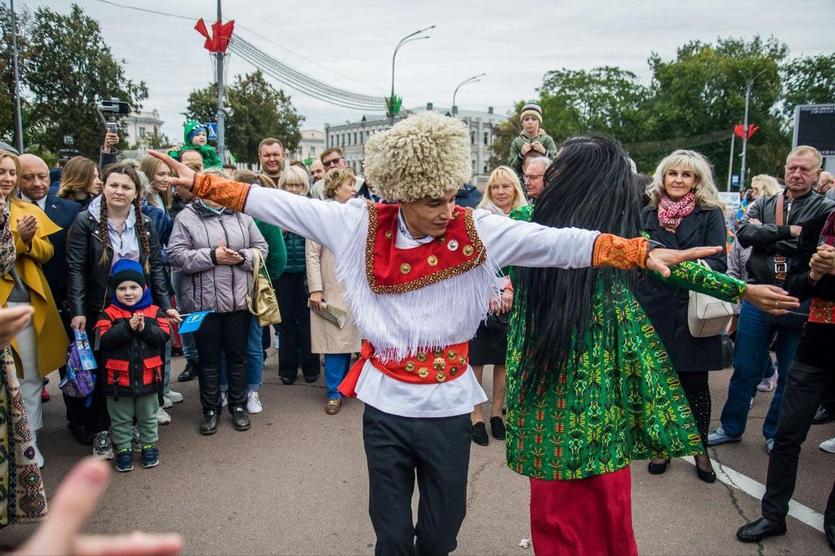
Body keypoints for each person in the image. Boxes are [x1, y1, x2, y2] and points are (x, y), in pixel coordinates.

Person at [149, 111, 734, 555]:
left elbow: (562, 245)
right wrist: (204, 185)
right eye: (431, 201)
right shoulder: (356, 225)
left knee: (441, 534)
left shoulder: (478, 229)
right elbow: (272, 203)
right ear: (400, 192)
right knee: (391, 537)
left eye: (452, 196)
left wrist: (638, 251)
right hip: (382, 404)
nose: (445, 210)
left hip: (449, 404)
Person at [504, 136, 797, 556]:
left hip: (597, 386)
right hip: (547, 378)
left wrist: (742, 290)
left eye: (558, 166)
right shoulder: (526, 223)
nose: (549, 173)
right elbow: (470, 247)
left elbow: (671, 266)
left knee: (605, 497)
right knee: (556, 502)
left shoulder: (620, 235)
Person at [709, 146, 835, 452]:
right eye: (792, 168)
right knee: (745, 366)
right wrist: (790, 231)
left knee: (790, 373)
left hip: (799, 297)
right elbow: (744, 235)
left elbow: (813, 249)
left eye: (805, 169)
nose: (797, 174)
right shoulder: (764, 201)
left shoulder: (825, 209)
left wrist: (771, 236)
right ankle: (731, 426)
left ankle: (775, 432)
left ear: (817, 174)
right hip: (757, 292)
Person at [736, 205, 835, 550]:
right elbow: (794, 286)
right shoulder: (819, 224)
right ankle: (773, 515)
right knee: (787, 434)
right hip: (816, 348)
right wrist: (814, 276)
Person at [66, 162, 178, 460]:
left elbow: (157, 268)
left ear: (137, 192)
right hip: (100, 308)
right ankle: (103, 430)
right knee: (105, 370)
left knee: (137, 364)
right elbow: (76, 269)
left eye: (127, 187)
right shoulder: (84, 222)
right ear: (103, 186)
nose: (119, 191)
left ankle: (137, 426)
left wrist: (165, 306)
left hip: (140, 306)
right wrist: (78, 309)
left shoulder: (146, 223)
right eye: (114, 185)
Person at [635, 149, 728, 482]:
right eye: (673, 173)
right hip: (654, 309)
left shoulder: (709, 214)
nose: (678, 180)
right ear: (663, 177)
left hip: (691, 312)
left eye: (686, 175)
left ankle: (700, 450)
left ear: (696, 181)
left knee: (695, 387)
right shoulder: (647, 212)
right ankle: (660, 448)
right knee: (657, 384)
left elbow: (719, 262)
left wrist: (678, 262)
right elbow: (638, 257)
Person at [167, 171, 268, 435]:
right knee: (208, 359)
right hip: (201, 305)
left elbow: (262, 249)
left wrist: (242, 257)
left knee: (238, 356)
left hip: (238, 304)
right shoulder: (186, 217)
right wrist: (213, 256)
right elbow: (176, 257)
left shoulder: (242, 215)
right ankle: (210, 410)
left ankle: (238, 406)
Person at [0, 150, 68, 468]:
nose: (8, 178)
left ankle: (30, 443)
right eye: (3, 172)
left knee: (29, 376)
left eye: (11, 173)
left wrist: (27, 240)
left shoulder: (24, 208)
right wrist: (16, 238)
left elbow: (46, 250)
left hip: (25, 304)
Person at [18, 153, 86, 442]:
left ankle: (78, 421)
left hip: (63, 299)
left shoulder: (70, 210)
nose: (37, 183)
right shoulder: (11, 210)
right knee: (27, 371)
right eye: (28, 177)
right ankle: (27, 434)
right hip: (22, 301)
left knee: (70, 363)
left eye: (42, 176)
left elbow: (78, 260)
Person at [469, 166, 527, 445]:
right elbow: (474, 259)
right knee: (477, 359)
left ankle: (496, 414)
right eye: (495, 187)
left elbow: (527, 258)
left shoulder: (524, 218)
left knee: (503, 360)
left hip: (514, 299)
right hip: (483, 299)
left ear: (515, 189)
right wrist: (493, 289)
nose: (501, 192)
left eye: (506, 186)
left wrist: (512, 288)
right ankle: (476, 415)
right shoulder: (480, 218)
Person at [95, 259, 170, 472]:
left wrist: (144, 328)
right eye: (122, 288)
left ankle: (148, 446)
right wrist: (127, 328)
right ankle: (124, 450)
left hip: (148, 377)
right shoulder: (108, 314)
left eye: (133, 287)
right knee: (120, 419)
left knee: (148, 416)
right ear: (114, 290)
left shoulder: (156, 312)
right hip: (118, 381)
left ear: (143, 288)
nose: (128, 293)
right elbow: (104, 340)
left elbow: (163, 336)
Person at [307, 168, 361, 415]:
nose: (354, 189)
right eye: (349, 184)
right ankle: (334, 392)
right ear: (336, 187)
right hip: (332, 287)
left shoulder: (359, 213)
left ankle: (355, 387)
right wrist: (316, 289)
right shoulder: (322, 214)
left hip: (358, 289)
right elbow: (312, 253)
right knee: (335, 344)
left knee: (358, 342)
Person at [728, 174, 782, 393]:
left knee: (753, 346)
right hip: (743, 289)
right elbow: (739, 246)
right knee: (744, 348)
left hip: (768, 290)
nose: (751, 193)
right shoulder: (747, 214)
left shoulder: (778, 217)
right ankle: (765, 374)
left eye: (755, 189)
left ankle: (768, 373)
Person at [275, 166, 321, 385]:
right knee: (285, 322)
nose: (293, 190)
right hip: (283, 273)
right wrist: (280, 231)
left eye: (298, 185)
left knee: (307, 320)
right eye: (289, 185)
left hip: (305, 272)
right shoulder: (275, 209)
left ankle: (310, 365)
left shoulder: (311, 208)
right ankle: (287, 367)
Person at [508, 102, 557, 177]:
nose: (530, 122)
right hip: (522, 181)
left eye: (534, 119)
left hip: (544, 180)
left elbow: (556, 163)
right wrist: (521, 155)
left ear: (539, 122)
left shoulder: (547, 139)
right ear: (522, 122)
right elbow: (512, 167)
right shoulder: (516, 142)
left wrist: (544, 152)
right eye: (526, 119)